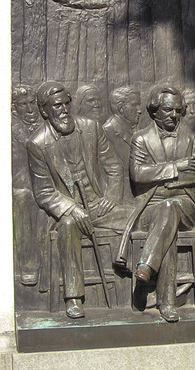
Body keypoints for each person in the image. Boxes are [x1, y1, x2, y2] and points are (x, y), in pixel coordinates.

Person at [27, 81, 129, 319]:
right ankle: (74, 297)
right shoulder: (37, 143)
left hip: (100, 206)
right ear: (44, 111)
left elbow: (114, 167)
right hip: (67, 213)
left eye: (66, 103)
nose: (63, 110)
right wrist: (72, 209)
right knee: (69, 226)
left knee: (138, 218)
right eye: (56, 106)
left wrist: (111, 197)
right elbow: (43, 192)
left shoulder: (91, 128)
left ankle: (140, 284)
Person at [117, 84, 195, 323]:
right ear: (154, 110)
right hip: (149, 208)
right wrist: (177, 167)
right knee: (167, 223)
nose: (174, 115)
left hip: (187, 205)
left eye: (178, 111)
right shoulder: (141, 139)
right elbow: (138, 174)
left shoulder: (192, 138)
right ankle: (167, 302)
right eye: (168, 110)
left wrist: (165, 182)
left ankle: (146, 268)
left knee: (169, 211)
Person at [12, 85, 44, 287]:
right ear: (15, 109)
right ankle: (28, 266)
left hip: (49, 185)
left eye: (33, 103)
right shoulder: (11, 129)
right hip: (24, 185)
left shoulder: (48, 126)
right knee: (23, 199)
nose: (30, 109)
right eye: (24, 105)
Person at [103, 86, 143, 203]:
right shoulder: (107, 133)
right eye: (134, 105)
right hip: (123, 198)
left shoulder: (135, 130)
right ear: (121, 108)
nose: (139, 110)